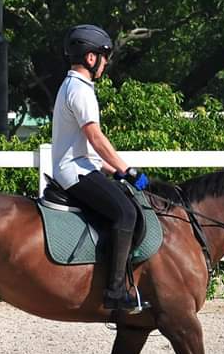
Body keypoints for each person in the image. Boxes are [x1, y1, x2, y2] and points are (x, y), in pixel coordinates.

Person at [51, 24, 150, 313]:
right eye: (104, 57)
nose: (106, 64)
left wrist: (113, 170)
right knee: (126, 212)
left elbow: (84, 148)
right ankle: (115, 292)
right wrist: (128, 169)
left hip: (81, 167)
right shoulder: (80, 91)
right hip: (74, 172)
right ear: (91, 58)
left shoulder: (72, 86)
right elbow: (95, 138)